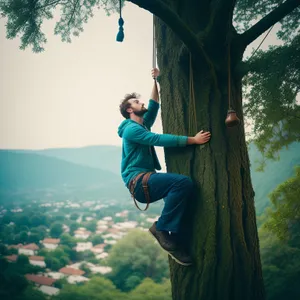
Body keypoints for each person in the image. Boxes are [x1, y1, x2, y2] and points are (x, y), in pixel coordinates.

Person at [118, 68, 211, 266]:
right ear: (129, 110)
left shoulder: (141, 125)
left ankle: (173, 238)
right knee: (182, 183)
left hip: (145, 181)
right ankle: (161, 228)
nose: (141, 102)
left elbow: (153, 105)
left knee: (180, 193)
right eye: (136, 102)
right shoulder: (132, 130)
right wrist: (192, 140)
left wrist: (157, 80)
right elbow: (157, 139)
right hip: (139, 181)